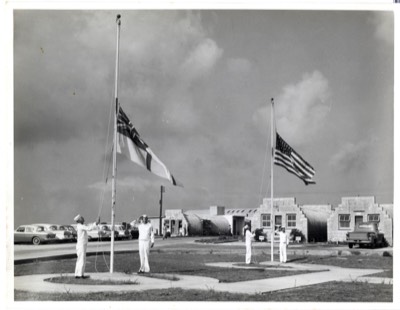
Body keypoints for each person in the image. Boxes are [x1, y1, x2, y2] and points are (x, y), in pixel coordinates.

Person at [74, 214, 100, 278]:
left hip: (82, 245)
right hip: (81, 245)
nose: (83, 218)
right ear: (79, 220)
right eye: (81, 218)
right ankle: (79, 275)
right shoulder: (80, 226)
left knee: (81, 259)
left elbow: (88, 226)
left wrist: (95, 223)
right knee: (81, 260)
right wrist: (96, 223)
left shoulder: (81, 226)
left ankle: (78, 274)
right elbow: (89, 228)